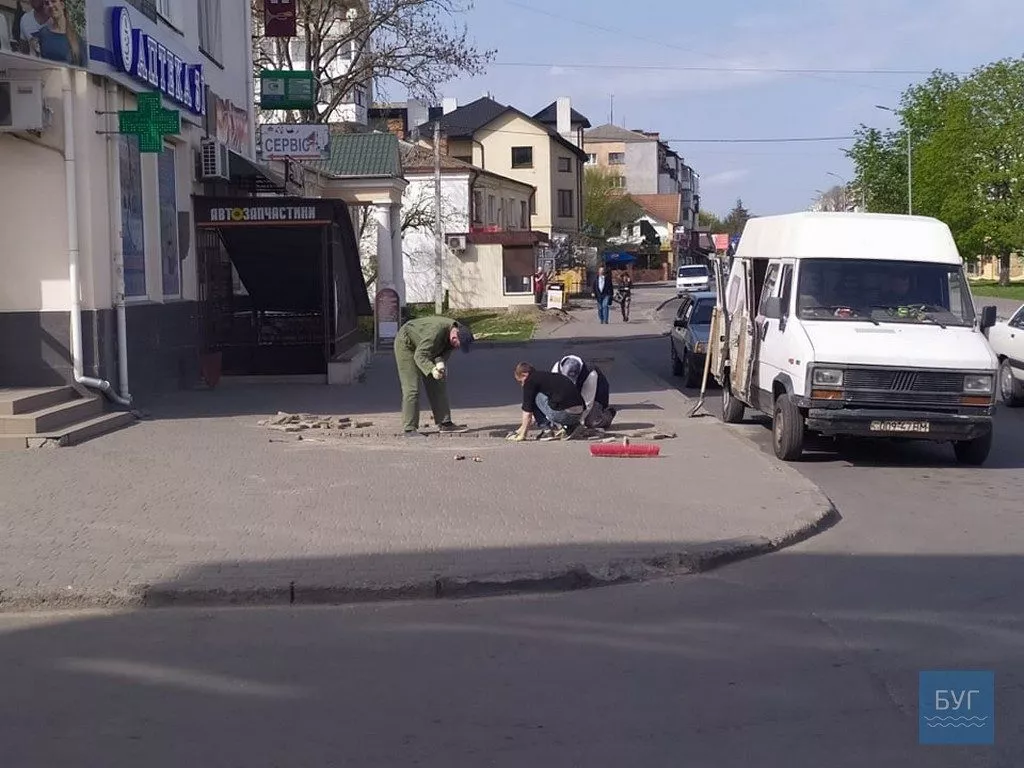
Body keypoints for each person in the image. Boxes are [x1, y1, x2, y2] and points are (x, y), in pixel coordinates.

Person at [394, 315, 474, 438]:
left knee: (438, 383)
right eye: (458, 344)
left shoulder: (457, 333)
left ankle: (445, 423)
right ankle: (409, 428)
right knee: (412, 388)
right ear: (454, 335)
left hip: (426, 348)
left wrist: (440, 366)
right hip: (407, 345)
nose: (457, 347)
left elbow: (441, 353)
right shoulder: (436, 331)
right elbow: (419, 356)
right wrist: (431, 369)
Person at [507, 362, 585, 442]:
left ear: (525, 375)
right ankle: (572, 427)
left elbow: (528, 413)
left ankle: (546, 430)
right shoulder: (549, 377)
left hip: (564, 414)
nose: (522, 385)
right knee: (556, 399)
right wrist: (519, 430)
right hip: (579, 414)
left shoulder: (530, 381)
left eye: (520, 382)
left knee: (534, 397)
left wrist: (522, 435)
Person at [551, 354, 616, 429]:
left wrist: (575, 423)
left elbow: (587, 403)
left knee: (590, 422)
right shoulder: (556, 369)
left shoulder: (590, 374)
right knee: (557, 419)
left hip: (596, 393)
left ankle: (609, 413)